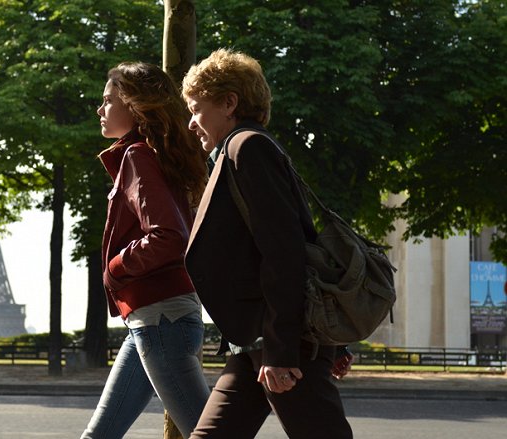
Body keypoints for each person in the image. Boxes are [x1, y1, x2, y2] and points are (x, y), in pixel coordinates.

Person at [181, 48, 354, 438]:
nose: (191, 123)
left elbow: (284, 251)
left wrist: (282, 350)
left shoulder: (248, 148)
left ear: (229, 103)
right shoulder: (236, 150)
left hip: (279, 343)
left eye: (196, 109)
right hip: (254, 341)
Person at [80, 62, 210, 439]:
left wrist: (115, 269)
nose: (99, 109)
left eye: (108, 100)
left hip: (161, 321)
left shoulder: (138, 156)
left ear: (134, 106)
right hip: (152, 321)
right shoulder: (158, 154)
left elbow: (170, 236)